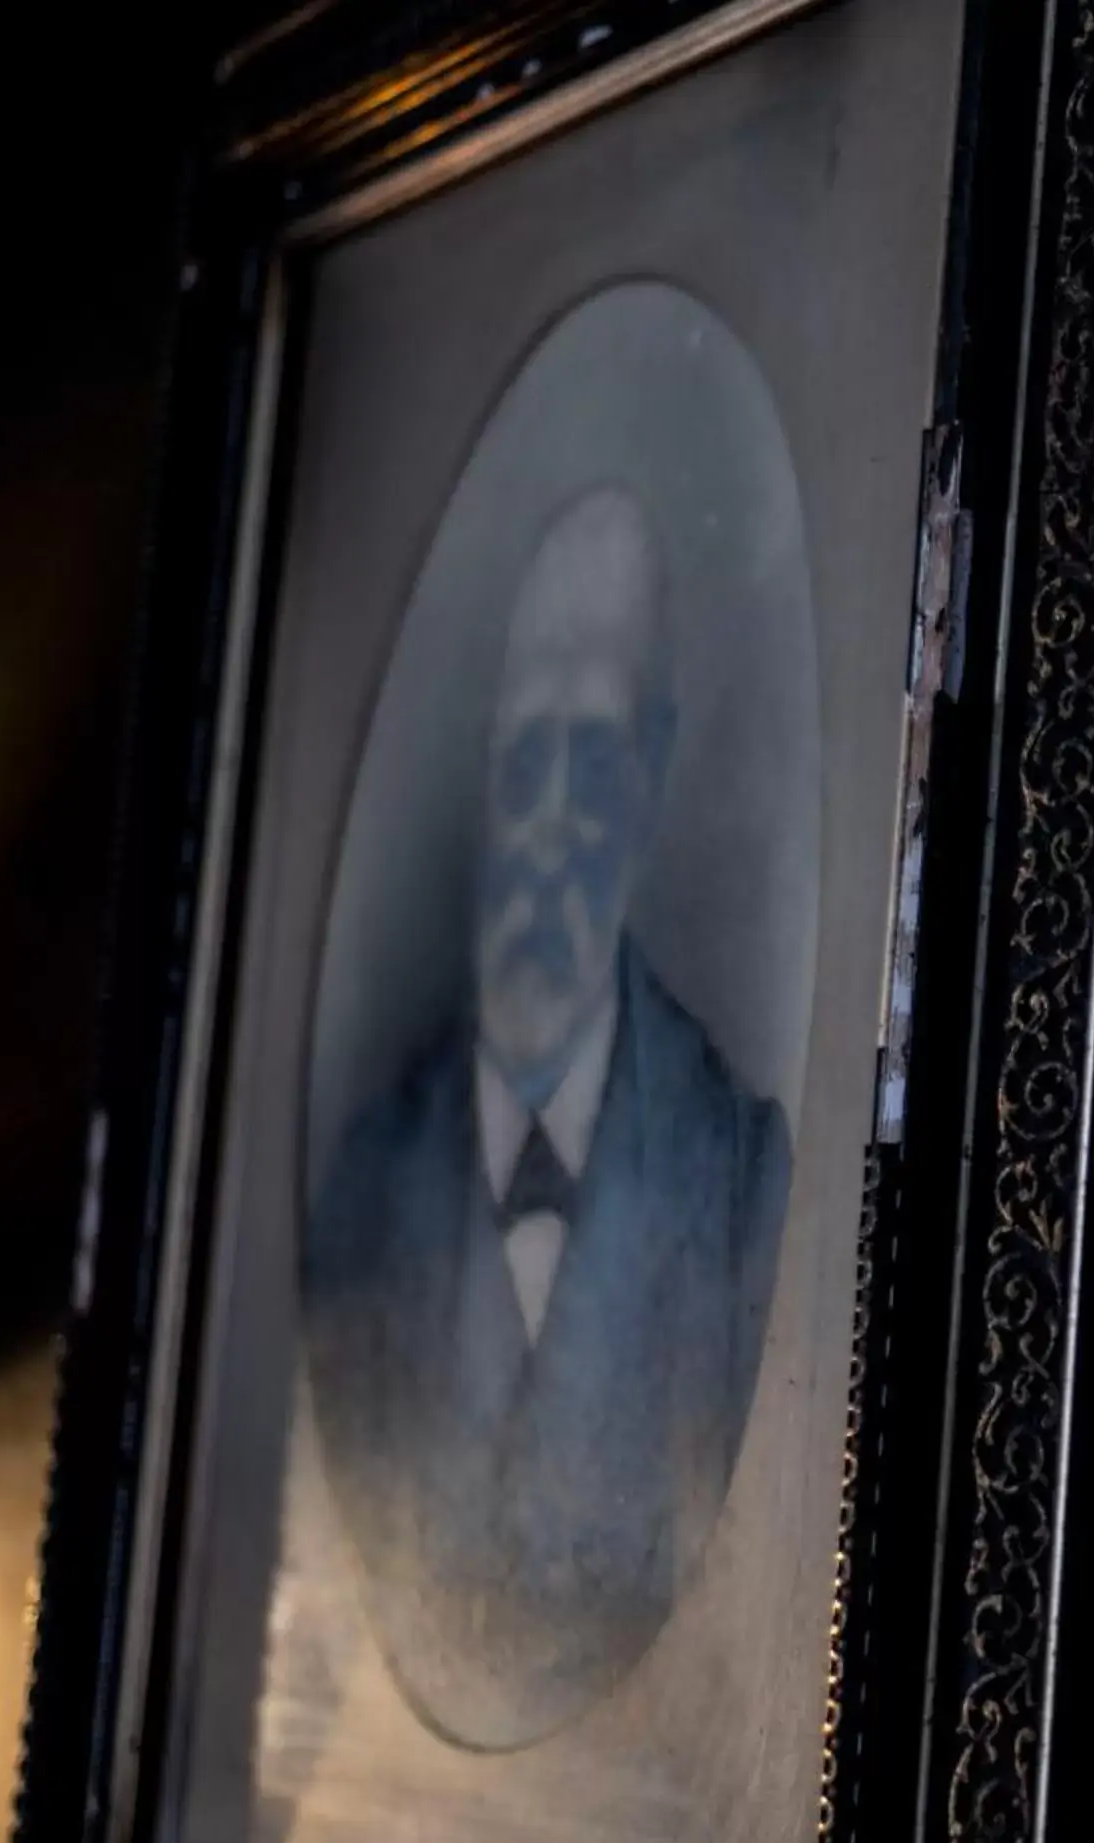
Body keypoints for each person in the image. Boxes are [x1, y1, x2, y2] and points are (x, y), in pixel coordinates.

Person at [302, 484, 790, 1752]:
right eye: (528, 753)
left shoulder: (742, 1187)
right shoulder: (360, 1193)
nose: (552, 824)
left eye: (595, 756)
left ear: (654, 769)